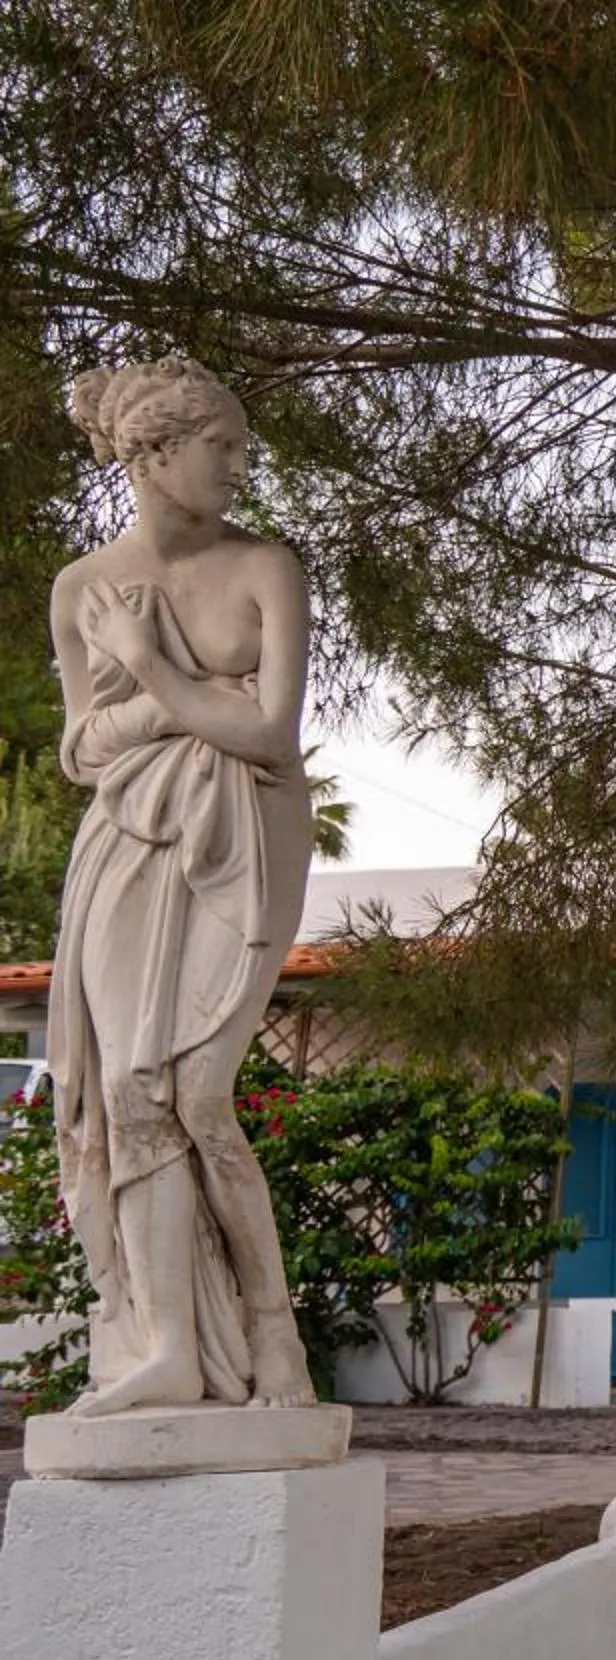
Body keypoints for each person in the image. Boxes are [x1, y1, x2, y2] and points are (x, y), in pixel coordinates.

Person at [47, 356, 313, 1415]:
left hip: (244, 837)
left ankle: (274, 1343)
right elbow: (81, 751)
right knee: (128, 1095)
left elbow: (269, 732)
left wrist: (153, 672)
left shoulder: (268, 568)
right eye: (225, 448)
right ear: (155, 455)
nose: (242, 469)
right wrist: (194, 697)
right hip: (123, 846)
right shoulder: (82, 590)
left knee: (200, 1094)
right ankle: (163, 1346)